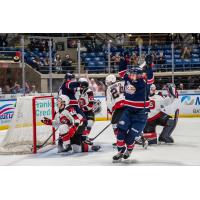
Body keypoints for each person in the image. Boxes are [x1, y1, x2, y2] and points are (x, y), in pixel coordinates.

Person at [113, 55, 154, 162]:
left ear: (140, 75)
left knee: (130, 138)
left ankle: (129, 150)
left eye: (133, 75)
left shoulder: (145, 83)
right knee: (120, 133)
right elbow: (122, 72)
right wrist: (124, 60)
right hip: (128, 112)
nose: (130, 76)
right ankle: (120, 151)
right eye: (130, 74)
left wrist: (149, 66)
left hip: (140, 115)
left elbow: (150, 78)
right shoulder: (128, 79)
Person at [75, 78, 99, 147]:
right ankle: (76, 138)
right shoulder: (76, 91)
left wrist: (81, 108)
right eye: (81, 86)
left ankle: (85, 137)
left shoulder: (89, 92)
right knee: (78, 124)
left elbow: (90, 105)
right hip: (79, 111)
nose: (82, 88)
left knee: (90, 123)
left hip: (88, 111)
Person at [105, 74, 125, 146]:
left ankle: (119, 141)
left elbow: (109, 102)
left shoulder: (109, 88)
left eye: (108, 82)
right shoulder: (123, 82)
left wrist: (111, 110)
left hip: (118, 107)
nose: (108, 84)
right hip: (128, 104)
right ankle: (140, 138)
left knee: (114, 124)